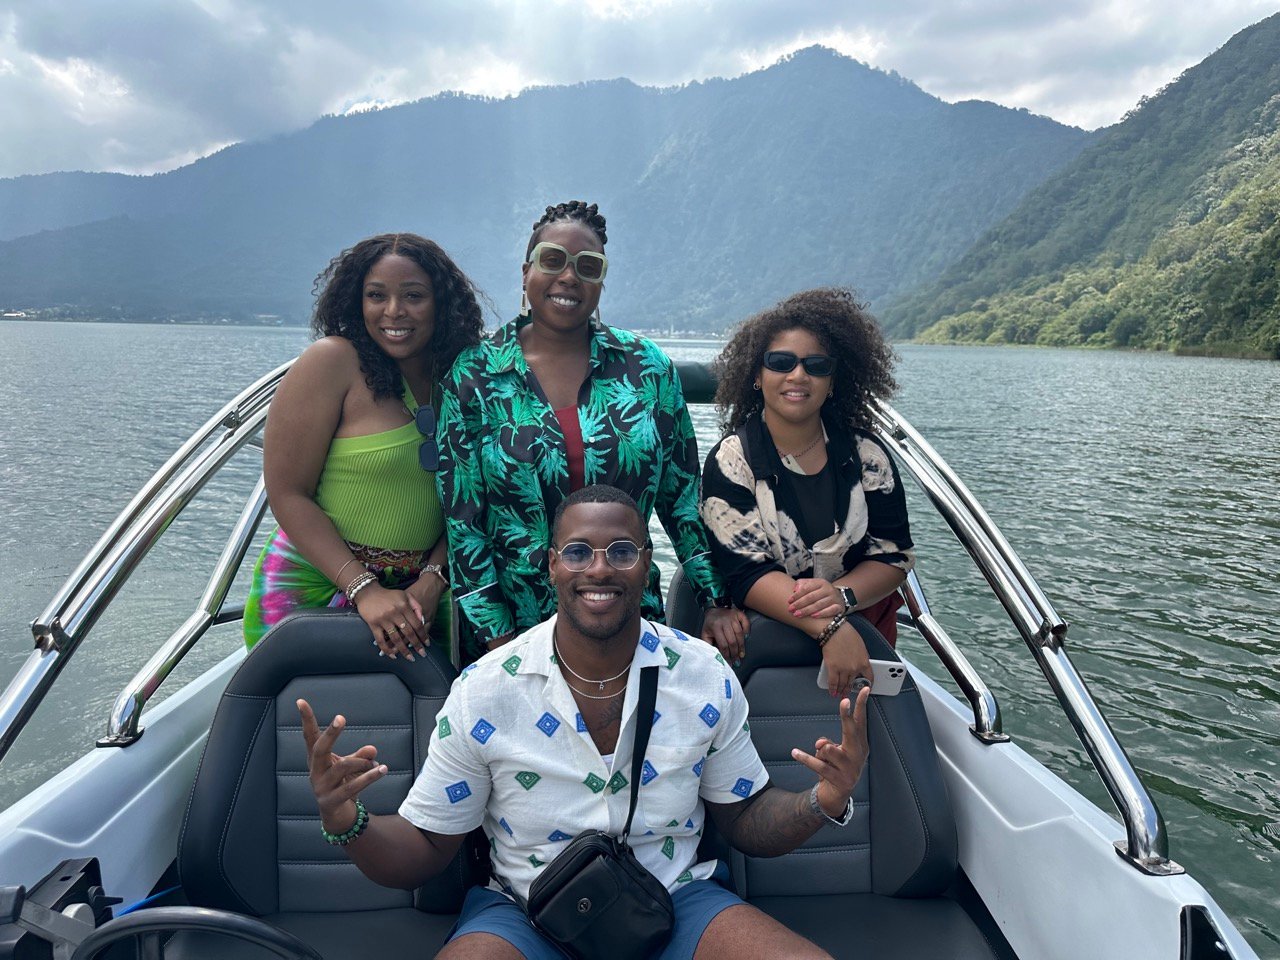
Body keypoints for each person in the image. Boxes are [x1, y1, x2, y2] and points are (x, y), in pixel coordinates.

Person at [297, 484, 870, 960]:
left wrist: (822, 798)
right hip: (526, 912)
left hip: (672, 900)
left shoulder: (701, 674)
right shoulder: (485, 691)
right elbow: (424, 847)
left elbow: (744, 818)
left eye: (623, 551)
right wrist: (347, 819)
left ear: (647, 564)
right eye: (577, 551)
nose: (600, 568)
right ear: (551, 565)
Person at [437, 200, 746, 660]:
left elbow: (681, 498)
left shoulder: (648, 368)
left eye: (588, 266)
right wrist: (500, 642)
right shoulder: (474, 376)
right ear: (526, 273)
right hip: (514, 627)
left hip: (626, 616)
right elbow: (464, 523)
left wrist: (715, 600)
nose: (569, 277)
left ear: (601, 279)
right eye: (553, 260)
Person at [242, 233, 484, 657]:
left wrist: (432, 580)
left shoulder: (460, 376)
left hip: (420, 597)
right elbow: (287, 493)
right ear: (357, 301)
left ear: (441, 304)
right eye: (377, 295)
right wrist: (363, 589)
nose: (394, 311)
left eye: (413, 295)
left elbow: (470, 496)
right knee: (317, 721)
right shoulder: (332, 362)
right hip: (316, 585)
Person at [699, 288, 915, 700]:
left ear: (833, 381)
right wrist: (831, 629)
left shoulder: (866, 456)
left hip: (862, 628)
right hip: (768, 643)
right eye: (781, 362)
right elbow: (747, 574)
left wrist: (841, 597)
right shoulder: (732, 461)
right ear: (757, 375)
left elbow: (893, 555)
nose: (798, 376)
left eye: (816, 366)